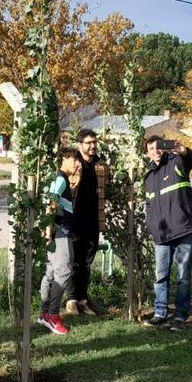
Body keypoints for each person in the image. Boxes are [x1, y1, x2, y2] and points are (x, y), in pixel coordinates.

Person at [142, 135, 192, 332]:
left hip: (183, 229)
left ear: (164, 148)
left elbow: (190, 160)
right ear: (147, 152)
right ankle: (160, 313)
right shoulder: (148, 176)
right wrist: (151, 227)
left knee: (183, 276)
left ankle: (181, 316)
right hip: (161, 235)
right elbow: (149, 206)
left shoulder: (176, 162)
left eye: (158, 147)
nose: (155, 151)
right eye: (151, 148)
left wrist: (182, 150)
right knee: (160, 275)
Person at [65, 129, 109, 316]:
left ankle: (83, 299)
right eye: (88, 143)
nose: (92, 146)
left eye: (94, 142)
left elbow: (108, 188)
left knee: (86, 262)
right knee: (73, 260)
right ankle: (71, 299)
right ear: (80, 144)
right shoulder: (74, 164)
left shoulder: (101, 166)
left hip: (93, 221)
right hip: (74, 221)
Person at [39, 147, 81, 335]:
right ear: (64, 159)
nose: (78, 164)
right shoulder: (61, 178)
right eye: (75, 160)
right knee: (63, 272)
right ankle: (52, 315)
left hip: (58, 232)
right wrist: (48, 231)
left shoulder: (61, 178)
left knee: (51, 272)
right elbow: (51, 202)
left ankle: (44, 313)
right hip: (59, 232)